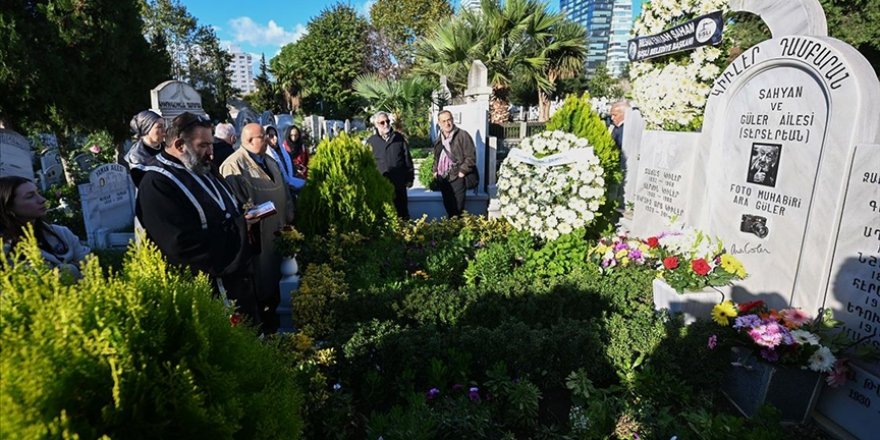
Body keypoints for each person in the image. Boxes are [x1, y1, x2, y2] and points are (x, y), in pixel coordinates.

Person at [135, 112, 260, 324]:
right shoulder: (157, 183)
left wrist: (245, 220)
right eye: (204, 145)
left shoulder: (202, 168)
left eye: (211, 144)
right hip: (205, 291)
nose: (211, 153)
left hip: (236, 281)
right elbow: (180, 245)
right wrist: (238, 228)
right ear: (180, 145)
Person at [220, 123, 294, 334]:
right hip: (258, 237)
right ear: (250, 140)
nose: (270, 140)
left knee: (279, 276)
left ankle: (276, 315)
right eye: (264, 137)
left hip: (279, 230)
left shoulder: (269, 160)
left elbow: (285, 190)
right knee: (261, 282)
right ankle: (264, 324)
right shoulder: (234, 165)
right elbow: (238, 203)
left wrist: (289, 211)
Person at [0, 176, 91, 278]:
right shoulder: (6, 249)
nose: (42, 199)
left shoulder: (61, 233)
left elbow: (91, 266)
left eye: (38, 193)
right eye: (30, 196)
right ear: (8, 206)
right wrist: (73, 268)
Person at [367, 111, 414, 219]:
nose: (386, 124)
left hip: (399, 183)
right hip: (381, 184)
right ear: (376, 125)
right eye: (382, 123)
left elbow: (407, 159)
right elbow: (368, 163)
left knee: (402, 213)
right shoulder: (371, 142)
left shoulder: (399, 138)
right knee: (384, 214)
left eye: (387, 121)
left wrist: (410, 178)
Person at [432, 110, 476, 218]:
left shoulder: (462, 135)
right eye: (444, 121)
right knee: (449, 208)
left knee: (457, 209)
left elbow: (471, 157)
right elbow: (436, 157)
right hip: (444, 178)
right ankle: (451, 232)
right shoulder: (439, 138)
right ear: (439, 123)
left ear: (452, 120)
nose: (447, 123)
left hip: (457, 178)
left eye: (449, 120)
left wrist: (462, 172)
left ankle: (457, 231)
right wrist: (435, 171)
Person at [125, 110, 166, 187]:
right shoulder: (136, 157)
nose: (164, 131)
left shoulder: (167, 147)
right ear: (147, 129)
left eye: (164, 126)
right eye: (159, 127)